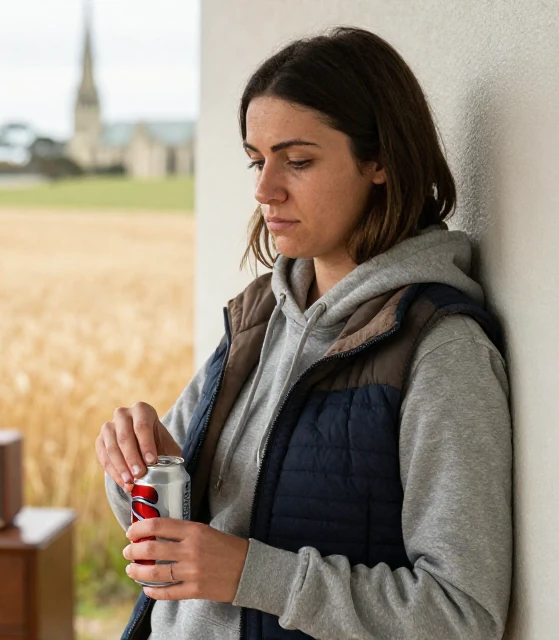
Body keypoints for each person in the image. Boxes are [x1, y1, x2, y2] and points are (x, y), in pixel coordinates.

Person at [95, 26, 513, 640]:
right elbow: (177, 538)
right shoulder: (257, 316)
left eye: (298, 161)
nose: (264, 190)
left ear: (380, 161)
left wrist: (249, 574)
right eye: (256, 160)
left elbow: (461, 614)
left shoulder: (439, 349)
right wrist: (143, 469)